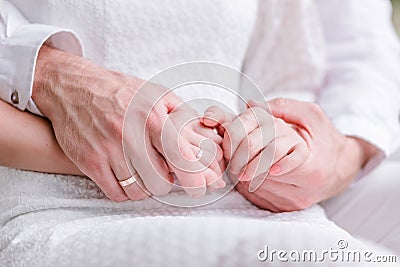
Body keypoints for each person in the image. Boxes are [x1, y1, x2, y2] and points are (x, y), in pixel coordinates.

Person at [0, 0, 399, 255]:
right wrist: (48, 72)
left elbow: (344, 49)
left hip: (240, 196)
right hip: (63, 200)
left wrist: (318, 148)